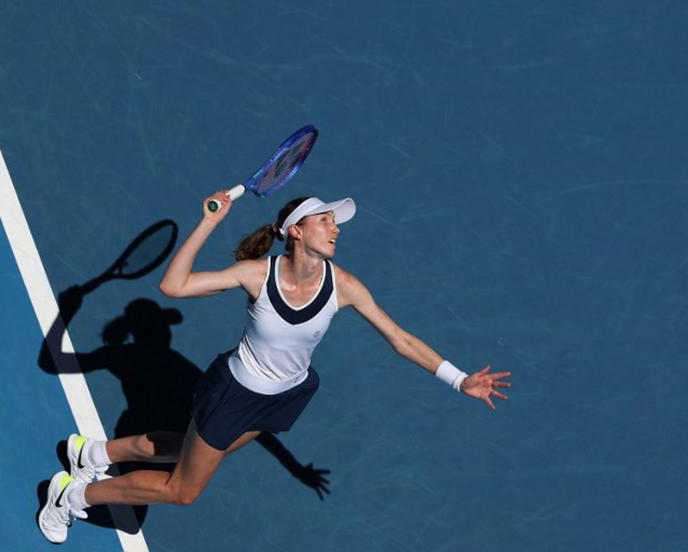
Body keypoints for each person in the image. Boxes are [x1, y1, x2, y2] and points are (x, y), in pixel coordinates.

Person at [38, 191, 512, 544]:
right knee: (183, 490)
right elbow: (174, 287)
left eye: (335, 222)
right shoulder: (256, 275)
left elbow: (400, 338)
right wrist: (209, 223)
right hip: (233, 393)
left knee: (190, 447)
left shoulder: (343, 285)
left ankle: (94, 453)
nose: (336, 228)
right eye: (325, 220)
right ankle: (73, 496)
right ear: (296, 231)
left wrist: (458, 378)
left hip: (286, 395)